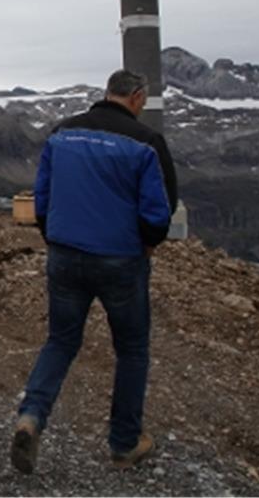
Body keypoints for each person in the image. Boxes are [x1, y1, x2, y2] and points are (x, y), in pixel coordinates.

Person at [10, 69, 178, 474]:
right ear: (137, 97)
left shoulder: (62, 133)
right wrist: (149, 243)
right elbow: (160, 207)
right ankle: (124, 443)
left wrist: (53, 236)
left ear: (106, 93)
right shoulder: (146, 143)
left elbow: (42, 195)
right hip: (121, 259)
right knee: (132, 350)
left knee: (61, 342)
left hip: (65, 255)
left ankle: (31, 416)